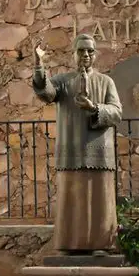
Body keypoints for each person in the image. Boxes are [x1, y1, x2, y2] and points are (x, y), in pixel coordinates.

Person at [32, 34, 122, 253]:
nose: (86, 55)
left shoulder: (106, 81)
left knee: (99, 201)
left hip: (99, 151)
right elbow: (45, 92)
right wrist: (39, 64)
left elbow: (117, 113)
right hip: (71, 150)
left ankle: (101, 245)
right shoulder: (63, 81)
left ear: (95, 54)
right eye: (81, 50)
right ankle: (69, 245)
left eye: (90, 51)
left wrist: (94, 108)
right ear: (74, 54)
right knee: (71, 201)